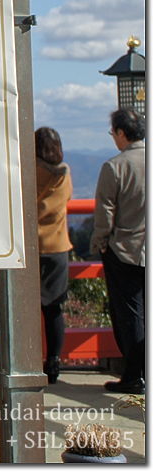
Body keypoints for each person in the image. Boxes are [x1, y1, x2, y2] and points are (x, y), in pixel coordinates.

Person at [92, 108, 146, 395]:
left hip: (125, 250)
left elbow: (105, 212)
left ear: (122, 133)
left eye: (113, 132)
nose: (113, 137)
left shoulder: (115, 166)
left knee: (131, 315)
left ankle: (134, 375)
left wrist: (100, 241)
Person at [35, 127, 73, 385]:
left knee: (24, 309)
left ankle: (25, 359)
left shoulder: (29, 168)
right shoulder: (64, 173)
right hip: (57, 246)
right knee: (53, 309)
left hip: (31, 246)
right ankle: (54, 361)